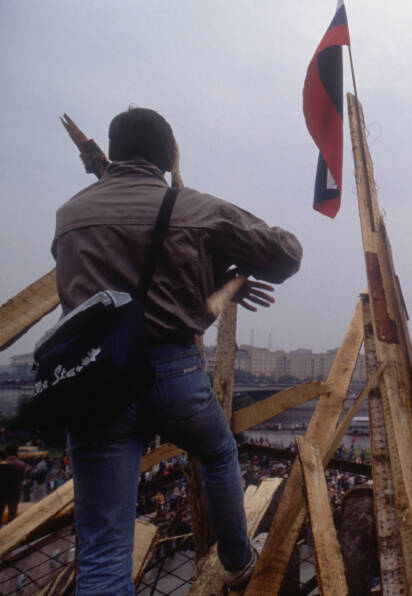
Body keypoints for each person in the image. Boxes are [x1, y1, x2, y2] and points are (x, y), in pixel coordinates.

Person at [53, 107, 302, 594]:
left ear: (113, 151)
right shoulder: (191, 208)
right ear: (171, 156)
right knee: (217, 450)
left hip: (95, 380)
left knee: (104, 547)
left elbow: (92, 289)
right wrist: (226, 268)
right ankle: (237, 558)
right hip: (172, 371)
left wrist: (210, 273)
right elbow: (286, 253)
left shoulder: (70, 215)